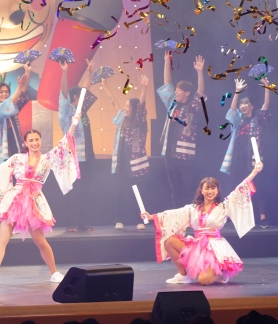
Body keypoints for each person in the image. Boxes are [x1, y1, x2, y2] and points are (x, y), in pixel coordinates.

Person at [0, 110, 82, 285]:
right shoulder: (17, 158)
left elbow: (64, 144)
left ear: (40, 141)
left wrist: (73, 123)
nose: (34, 143)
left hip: (34, 201)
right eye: (31, 140)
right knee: (2, 238)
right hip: (14, 200)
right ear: (25, 143)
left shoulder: (47, 158)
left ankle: (54, 272)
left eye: (37, 139)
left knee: (41, 241)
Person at [141, 162, 263, 285]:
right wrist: (151, 217)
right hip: (197, 245)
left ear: (217, 190)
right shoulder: (193, 208)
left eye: (213, 188)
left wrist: (255, 172)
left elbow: (239, 190)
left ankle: (220, 270)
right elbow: (174, 214)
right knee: (169, 242)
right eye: (207, 188)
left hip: (214, 248)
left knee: (204, 280)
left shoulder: (224, 206)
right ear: (201, 190)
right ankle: (184, 275)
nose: (210, 191)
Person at [221, 77, 271, 226]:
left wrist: (267, 87)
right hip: (238, 157)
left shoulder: (257, 119)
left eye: (245, 103)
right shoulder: (239, 120)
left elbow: (266, 105)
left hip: (253, 157)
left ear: (252, 106)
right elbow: (232, 110)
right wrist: (237, 92)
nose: (242, 106)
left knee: (256, 185)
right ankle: (234, 215)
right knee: (236, 185)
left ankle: (261, 216)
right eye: (241, 104)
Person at [157, 52, 206, 206]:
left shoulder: (192, 105)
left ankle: (191, 211)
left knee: (189, 185)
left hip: (184, 153)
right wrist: (166, 62)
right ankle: (177, 212)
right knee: (174, 186)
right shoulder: (172, 103)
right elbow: (167, 83)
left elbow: (200, 93)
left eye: (179, 90)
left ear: (187, 93)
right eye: (176, 90)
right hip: (169, 152)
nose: (176, 92)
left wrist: (199, 72)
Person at [58, 59, 98, 232]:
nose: (85, 96)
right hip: (72, 158)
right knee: (73, 191)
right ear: (75, 97)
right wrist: (65, 72)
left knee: (85, 192)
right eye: (81, 95)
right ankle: (71, 223)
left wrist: (89, 73)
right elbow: (64, 92)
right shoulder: (66, 111)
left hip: (86, 156)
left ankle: (83, 222)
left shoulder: (81, 110)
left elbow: (85, 91)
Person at [106, 75, 151, 230]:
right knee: (119, 192)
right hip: (121, 164)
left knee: (137, 193)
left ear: (134, 108)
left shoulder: (139, 121)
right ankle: (119, 220)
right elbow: (113, 102)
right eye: (125, 105)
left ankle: (141, 220)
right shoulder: (122, 120)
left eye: (128, 106)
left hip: (136, 164)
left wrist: (144, 88)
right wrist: (105, 86)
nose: (125, 108)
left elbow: (141, 106)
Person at [0, 64, 32, 165]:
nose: (4, 94)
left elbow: (22, 93)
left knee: (20, 171)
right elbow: (6, 108)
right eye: (1, 92)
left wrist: (27, 71)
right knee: (6, 173)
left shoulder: (13, 106)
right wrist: (19, 86)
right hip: (3, 150)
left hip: (17, 144)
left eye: (7, 92)